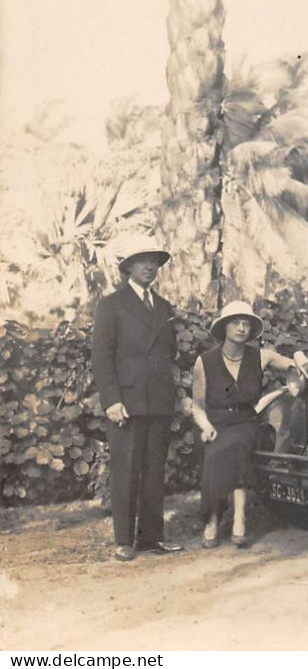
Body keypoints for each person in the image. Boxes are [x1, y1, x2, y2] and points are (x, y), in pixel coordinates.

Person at [190, 299, 308, 549]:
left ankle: (239, 517)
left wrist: (299, 357)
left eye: (246, 324)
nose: (242, 329)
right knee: (214, 452)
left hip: (246, 422)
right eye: (236, 323)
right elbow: (197, 405)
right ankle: (212, 518)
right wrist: (205, 426)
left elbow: (294, 367)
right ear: (224, 327)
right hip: (215, 423)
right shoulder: (205, 361)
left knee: (239, 444)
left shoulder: (261, 356)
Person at [91, 237, 183, 562]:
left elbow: (168, 354)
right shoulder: (111, 305)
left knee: (155, 471)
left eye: (154, 261)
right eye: (142, 260)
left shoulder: (164, 307)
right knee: (126, 471)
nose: (149, 266)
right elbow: (101, 357)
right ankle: (124, 541)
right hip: (126, 401)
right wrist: (112, 400)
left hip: (158, 400)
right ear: (128, 266)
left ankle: (151, 538)